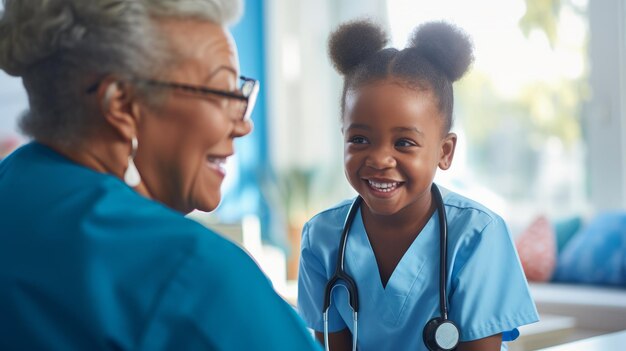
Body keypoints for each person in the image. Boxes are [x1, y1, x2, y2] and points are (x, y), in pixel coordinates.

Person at [0, 0, 320, 349]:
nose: (243, 124)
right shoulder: (191, 276)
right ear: (122, 105)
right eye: (223, 92)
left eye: (240, 93)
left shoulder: (13, 193)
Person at [297, 19, 539, 351]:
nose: (380, 159)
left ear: (444, 151)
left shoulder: (478, 235)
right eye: (360, 139)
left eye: (404, 143)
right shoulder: (321, 237)